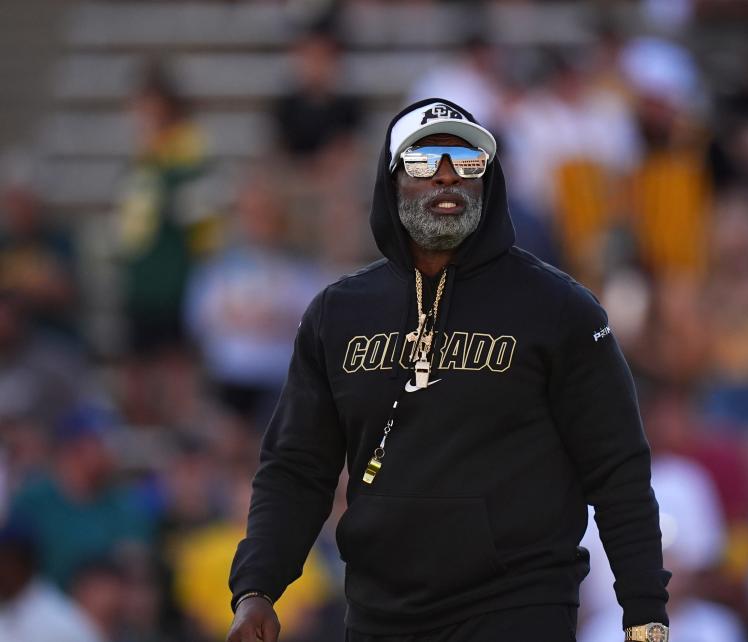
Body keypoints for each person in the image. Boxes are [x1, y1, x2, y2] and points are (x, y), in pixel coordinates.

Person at [226, 98, 671, 642]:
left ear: (489, 180)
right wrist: (257, 588)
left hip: (518, 605)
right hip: (378, 612)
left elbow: (617, 468)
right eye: (423, 162)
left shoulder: (560, 310)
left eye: (466, 164)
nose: (445, 178)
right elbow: (296, 468)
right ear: (391, 183)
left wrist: (645, 613)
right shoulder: (336, 315)